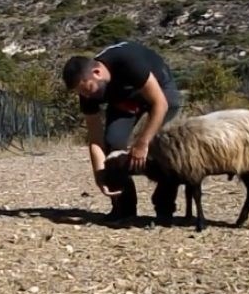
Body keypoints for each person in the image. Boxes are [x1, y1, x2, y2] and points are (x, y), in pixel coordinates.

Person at [61, 40, 182, 222]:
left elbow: (160, 104)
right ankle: (124, 207)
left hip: (160, 91)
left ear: (97, 73)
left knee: (161, 147)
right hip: (125, 100)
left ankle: (164, 207)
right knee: (113, 142)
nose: (86, 96)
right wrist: (101, 175)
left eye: (88, 90)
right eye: (81, 93)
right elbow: (95, 138)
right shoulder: (87, 91)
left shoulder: (127, 61)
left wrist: (142, 143)